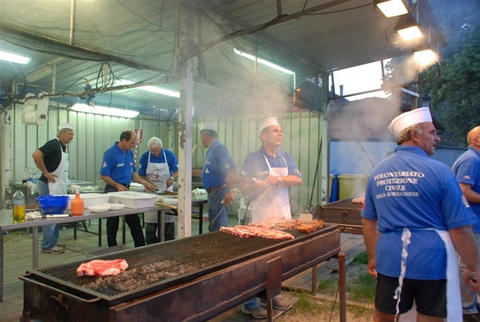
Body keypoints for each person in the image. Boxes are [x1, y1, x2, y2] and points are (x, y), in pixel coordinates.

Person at [362, 107, 480, 322]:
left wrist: (372, 256)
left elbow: (369, 222)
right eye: (432, 132)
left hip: (390, 258)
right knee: (429, 316)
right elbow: (460, 229)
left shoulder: (377, 171)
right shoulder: (440, 171)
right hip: (432, 259)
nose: (437, 138)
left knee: (385, 315)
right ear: (415, 136)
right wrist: (474, 268)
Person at [239, 116, 302, 319]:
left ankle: (271, 296)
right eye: (275, 131)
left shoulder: (285, 157)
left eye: (280, 130)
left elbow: (297, 179)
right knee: (257, 261)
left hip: (282, 216)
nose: (280, 133)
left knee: (277, 261)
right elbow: (244, 187)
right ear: (263, 135)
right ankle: (249, 303)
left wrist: (280, 179)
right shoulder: (253, 159)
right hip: (260, 216)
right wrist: (261, 183)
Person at [100, 130, 156, 248]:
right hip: (113, 189)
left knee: (134, 220)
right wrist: (116, 185)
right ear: (123, 140)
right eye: (132, 143)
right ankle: (112, 247)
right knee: (113, 222)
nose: (134, 145)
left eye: (135, 143)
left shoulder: (129, 153)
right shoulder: (110, 153)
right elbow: (104, 175)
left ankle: (140, 246)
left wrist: (144, 182)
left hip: (126, 190)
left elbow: (133, 174)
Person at [451, 126, 480, 322]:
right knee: (468, 265)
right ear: (477, 140)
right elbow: (463, 190)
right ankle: (465, 309)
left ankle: (470, 303)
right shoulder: (471, 159)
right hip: (471, 225)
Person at [32, 123, 75, 254]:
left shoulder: (62, 147)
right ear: (61, 133)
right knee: (50, 215)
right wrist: (46, 172)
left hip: (57, 185)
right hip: (49, 185)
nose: (72, 137)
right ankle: (48, 246)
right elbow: (36, 155)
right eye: (69, 134)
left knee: (57, 215)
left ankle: (53, 240)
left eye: (73, 135)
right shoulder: (53, 144)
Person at [139, 136, 179, 244]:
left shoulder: (169, 155)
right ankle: (151, 246)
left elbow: (178, 170)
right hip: (151, 193)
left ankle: (168, 245)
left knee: (168, 223)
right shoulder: (145, 157)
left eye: (157, 151)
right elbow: (141, 175)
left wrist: (172, 178)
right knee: (150, 224)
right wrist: (148, 183)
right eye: (153, 151)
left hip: (166, 192)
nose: (155, 153)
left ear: (161, 147)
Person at [198, 122, 236, 232]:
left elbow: (230, 170)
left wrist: (230, 191)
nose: (201, 140)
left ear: (206, 135)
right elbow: (212, 170)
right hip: (213, 194)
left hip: (219, 194)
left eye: (201, 137)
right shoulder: (211, 150)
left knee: (218, 227)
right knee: (214, 225)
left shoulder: (219, 149)